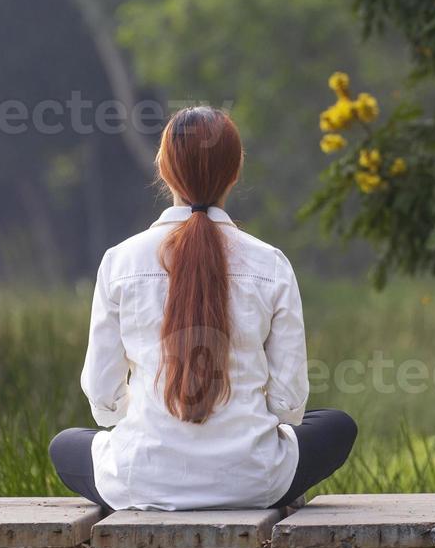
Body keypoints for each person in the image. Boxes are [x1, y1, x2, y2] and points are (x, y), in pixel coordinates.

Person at [48, 106, 356, 511]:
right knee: (336, 425)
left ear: (163, 168)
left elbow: (104, 401)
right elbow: (288, 405)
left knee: (65, 444)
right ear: (235, 172)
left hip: (139, 480)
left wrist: (149, 418)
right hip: (254, 481)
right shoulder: (271, 264)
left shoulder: (120, 261)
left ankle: (152, 481)